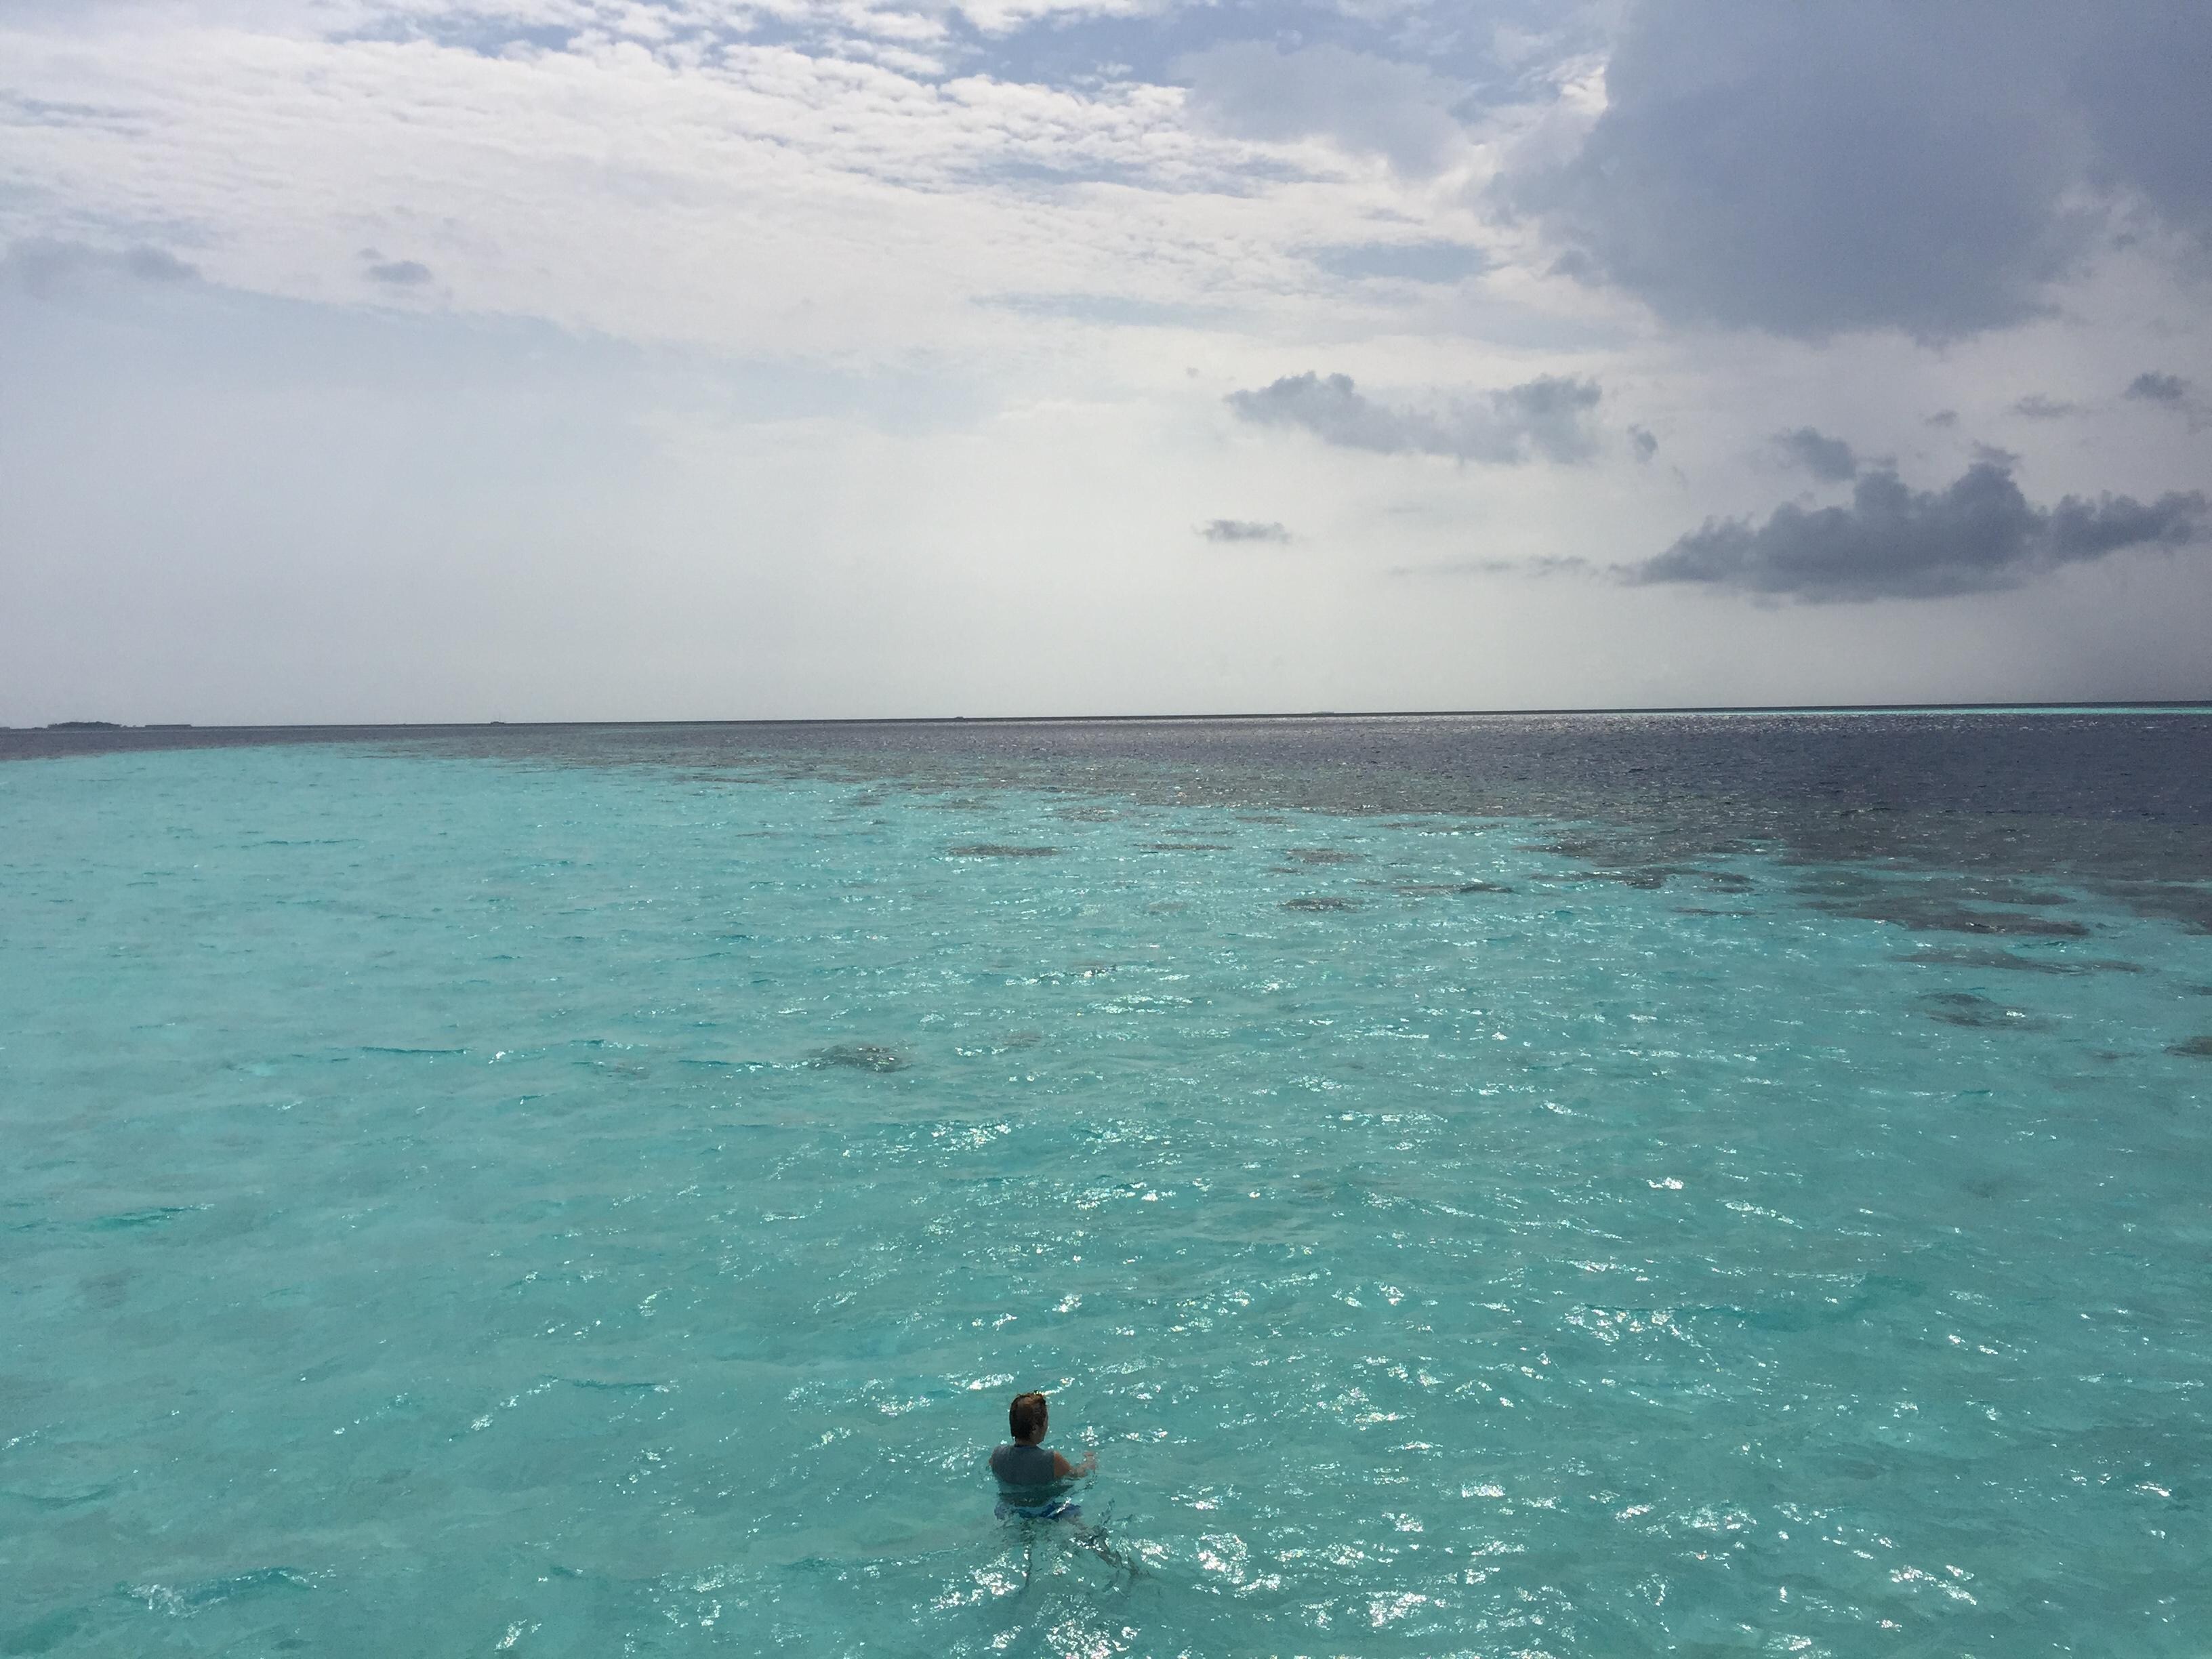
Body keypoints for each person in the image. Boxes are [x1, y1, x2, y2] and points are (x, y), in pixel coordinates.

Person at [989, 1391, 1094, 1521]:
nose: (1047, 1427)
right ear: (1034, 1429)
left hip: (1010, 1509)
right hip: (1045, 1511)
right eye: (1046, 1421)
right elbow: (1076, 1475)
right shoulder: (1051, 1459)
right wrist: (1089, 1461)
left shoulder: (997, 1455)